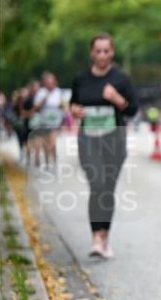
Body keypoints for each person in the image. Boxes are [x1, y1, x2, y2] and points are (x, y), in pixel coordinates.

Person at [69, 33, 138, 259]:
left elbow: (133, 110)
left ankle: (104, 236)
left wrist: (117, 99)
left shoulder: (121, 79)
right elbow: (73, 104)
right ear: (92, 53)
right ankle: (96, 238)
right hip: (88, 139)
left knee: (107, 189)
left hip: (114, 141)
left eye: (106, 51)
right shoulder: (81, 79)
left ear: (112, 52)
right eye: (97, 51)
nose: (102, 55)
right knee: (97, 185)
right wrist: (75, 110)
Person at [31, 71, 65, 169]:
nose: (50, 84)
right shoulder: (41, 92)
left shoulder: (58, 92)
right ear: (45, 83)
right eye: (48, 82)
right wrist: (44, 99)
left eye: (52, 82)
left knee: (52, 142)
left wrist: (62, 106)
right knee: (46, 143)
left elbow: (64, 106)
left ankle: (54, 161)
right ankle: (47, 163)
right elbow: (36, 108)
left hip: (56, 122)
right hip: (44, 122)